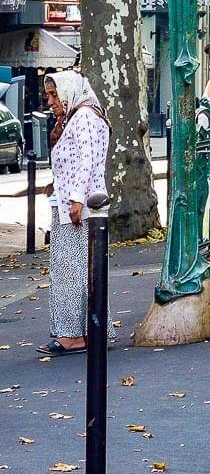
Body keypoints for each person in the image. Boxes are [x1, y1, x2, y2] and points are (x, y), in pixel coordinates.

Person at [37, 70, 111, 357]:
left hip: (78, 209)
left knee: (72, 272)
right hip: (72, 205)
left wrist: (77, 200)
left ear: (68, 91)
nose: (51, 100)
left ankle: (73, 335)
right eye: (48, 95)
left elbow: (86, 161)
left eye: (55, 94)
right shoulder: (78, 116)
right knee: (80, 271)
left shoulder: (83, 117)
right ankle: (86, 331)